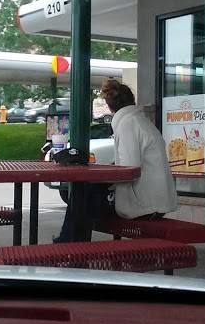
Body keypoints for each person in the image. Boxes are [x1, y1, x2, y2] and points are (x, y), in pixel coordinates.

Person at [54, 79, 178, 242]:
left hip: (145, 205)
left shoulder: (127, 123)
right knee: (85, 196)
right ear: (131, 100)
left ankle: (68, 245)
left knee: (81, 195)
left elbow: (129, 170)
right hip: (155, 201)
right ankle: (71, 244)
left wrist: (99, 176)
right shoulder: (138, 120)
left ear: (109, 105)